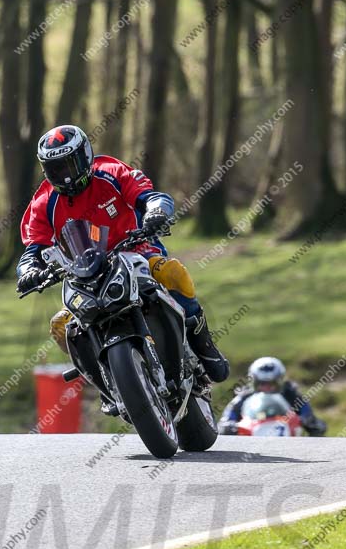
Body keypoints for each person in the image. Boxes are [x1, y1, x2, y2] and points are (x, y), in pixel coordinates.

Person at [16, 125, 230, 401]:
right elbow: (32, 250)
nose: (66, 175)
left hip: (136, 250)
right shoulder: (43, 203)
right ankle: (107, 382)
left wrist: (156, 212)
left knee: (173, 273)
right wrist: (29, 271)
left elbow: (152, 197)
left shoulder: (111, 173)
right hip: (83, 275)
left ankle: (204, 346)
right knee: (60, 327)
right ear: (46, 170)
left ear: (86, 156)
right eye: (57, 169)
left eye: (71, 164)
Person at [219, 356, 327, 436]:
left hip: (289, 438)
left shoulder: (292, 394)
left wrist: (308, 421)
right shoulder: (243, 397)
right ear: (254, 383)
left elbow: (314, 421)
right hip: (251, 440)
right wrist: (230, 427)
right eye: (262, 384)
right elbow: (224, 423)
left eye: (272, 384)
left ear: (280, 382)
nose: (267, 388)